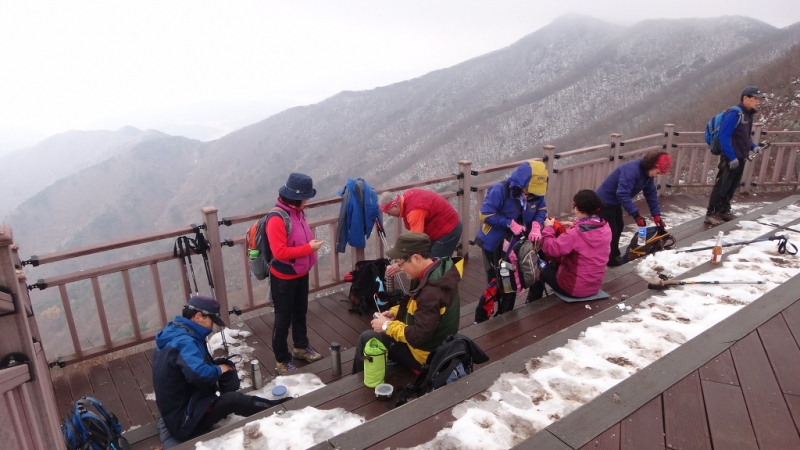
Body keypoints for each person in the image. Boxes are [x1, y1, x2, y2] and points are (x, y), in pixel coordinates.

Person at [152, 296, 290, 446]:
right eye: (211, 321)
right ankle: (276, 407)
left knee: (221, 367)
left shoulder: (177, 332)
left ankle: (223, 402)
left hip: (179, 407)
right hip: (184, 421)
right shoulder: (184, 342)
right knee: (232, 400)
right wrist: (219, 369)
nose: (212, 327)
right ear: (198, 317)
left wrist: (220, 367)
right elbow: (199, 374)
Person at [351, 233, 462, 374]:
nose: (401, 269)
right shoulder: (437, 272)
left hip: (425, 356)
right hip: (440, 345)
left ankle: (357, 381)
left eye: (401, 263)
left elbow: (418, 336)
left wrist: (386, 326)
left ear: (416, 258)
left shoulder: (431, 292)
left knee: (367, 338)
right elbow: (419, 307)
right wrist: (396, 312)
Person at [474, 160, 548, 318]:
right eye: (527, 189)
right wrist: (509, 223)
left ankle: (506, 315)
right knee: (498, 280)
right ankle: (481, 317)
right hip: (495, 244)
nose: (529, 193)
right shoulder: (500, 190)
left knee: (512, 280)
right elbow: (485, 215)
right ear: (521, 182)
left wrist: (537, 224)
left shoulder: (536, 193)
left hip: (518, 245)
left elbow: (541, 209)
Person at [268, 172, 325, 375]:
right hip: (284, 277)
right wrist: (309, 248)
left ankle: (301, 347)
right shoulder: (277, 218)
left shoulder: (297, 212)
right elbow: (279, 252)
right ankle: (282, 360)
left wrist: (308, 249)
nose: (307, 201)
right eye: (306, 197)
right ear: (296, 198)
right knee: (282, 320)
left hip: (300, 272)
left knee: (300, 312)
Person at [527, 190, 611, 301]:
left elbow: (550, 249)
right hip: (594, 286)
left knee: (539, 265)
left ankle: (533, 302)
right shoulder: (605, 228)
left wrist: (548, 228)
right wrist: (574, 224)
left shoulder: (575, 234)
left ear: (577, 208)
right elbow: (588, 229)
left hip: (574, 289)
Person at [595, 151, 671, 267]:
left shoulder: (647, 174)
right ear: (652, 165)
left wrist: (656, 215)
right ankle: (610, 260)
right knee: (611, 232)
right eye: (658, 172)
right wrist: (636, 214)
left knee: (619, 226)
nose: (657, 175)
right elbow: (622, 193)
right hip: (603, 202)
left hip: (614, 202)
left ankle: (614, 253)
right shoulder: (631, 170)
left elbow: (650, 193)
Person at [705, 86, 766, 225]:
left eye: (758, 99)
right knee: (722, 186)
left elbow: (744, 136)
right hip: (730, 157)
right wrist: (731, 157)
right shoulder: (735, 114)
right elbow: (724, 137)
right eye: (755, 98)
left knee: (732, 186)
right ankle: (711, 213)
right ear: (745, 98)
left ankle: (724, 210)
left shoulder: (748, 114)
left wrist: (753, 146)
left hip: (741, 157)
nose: (757, 101)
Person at [379, 189, 463, 277]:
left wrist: (401, 264)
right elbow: (414, 237)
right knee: (426, 261)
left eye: (388, 212)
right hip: (438, 228)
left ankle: (441, 283)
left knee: (434, 266)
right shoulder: (408, 196)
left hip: (448, 229)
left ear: (395, 206)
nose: (389, 215)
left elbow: (416, 241)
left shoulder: (414, 211)